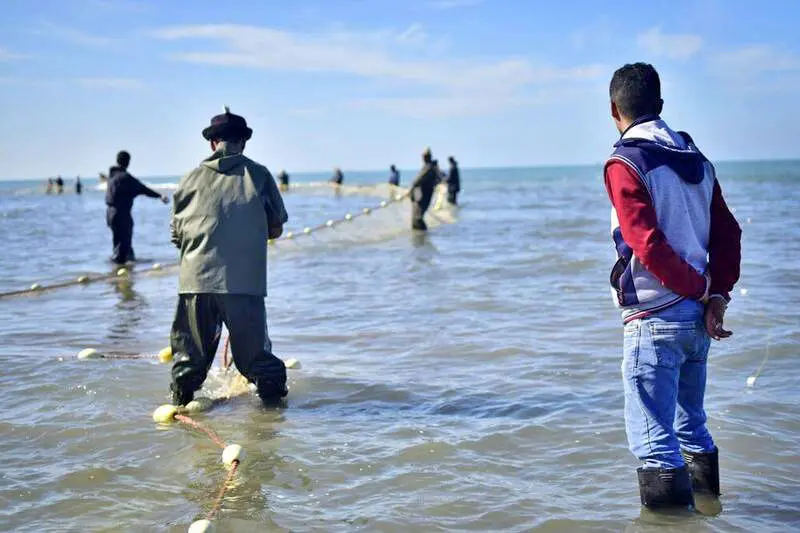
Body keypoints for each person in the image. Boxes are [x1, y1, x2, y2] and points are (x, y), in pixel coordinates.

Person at [603, 63, 741, 509]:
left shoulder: (625, 162)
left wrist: (702, 290)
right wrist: (716, 294)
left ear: (613, 110)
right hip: (696, 321)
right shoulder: (696, 159)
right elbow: (729, 234)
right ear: (660, 106)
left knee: (653, 442)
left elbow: (646, 245)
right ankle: (711, 514)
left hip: (655, 319)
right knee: (692, 428)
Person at [169, 106, 289, 407]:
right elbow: (275, 227)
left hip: (194, 283)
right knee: (256, 362)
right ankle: (273, 423)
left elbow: (177, 236)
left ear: (212, 143)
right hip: (243, 285)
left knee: (189, 362)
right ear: (243, 142)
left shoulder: (188, 180)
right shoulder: (259, 175)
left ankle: (180, 406)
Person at [105, 150, 169, 264]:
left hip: (110, 213)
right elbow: (143, 189)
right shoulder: (125, 178)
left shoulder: (112, 176)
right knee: (123, 245)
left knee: (118, 243)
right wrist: (160, 196)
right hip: (121, 214)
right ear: (128, 162)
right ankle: (121, 272)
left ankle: (119, 270)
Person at [409, 148, 439, 231]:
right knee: (416, 218)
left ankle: (422, 237)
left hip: (424, 196)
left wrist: (412, 188)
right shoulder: (430, 167)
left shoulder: (429, 167)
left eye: (424, 156)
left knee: (417, 218)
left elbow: (417, 181)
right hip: (422, 195)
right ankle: (420, 237)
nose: (423, 158)